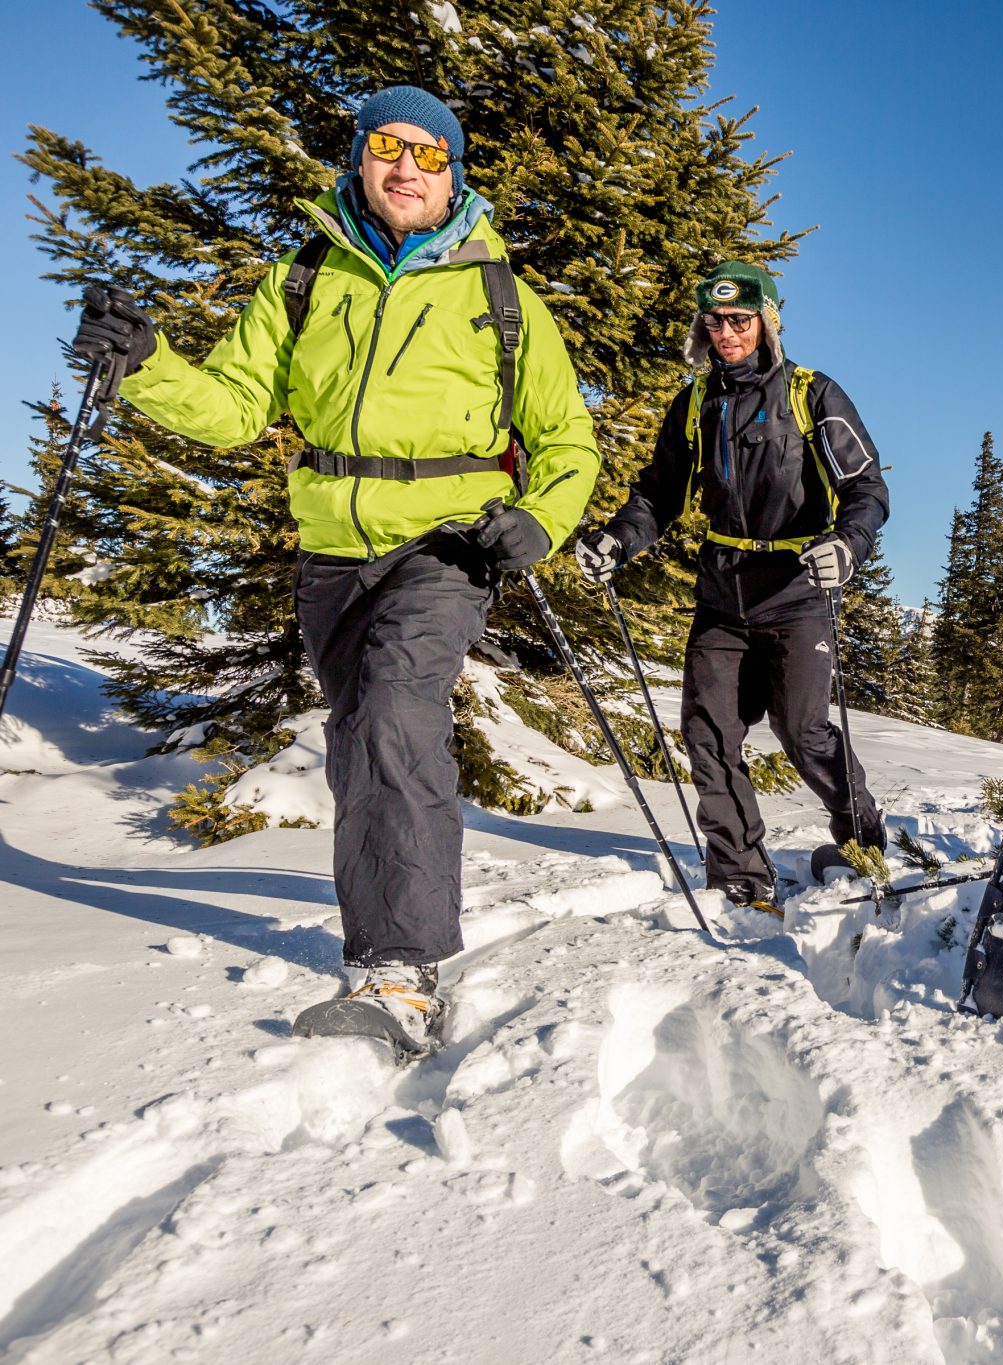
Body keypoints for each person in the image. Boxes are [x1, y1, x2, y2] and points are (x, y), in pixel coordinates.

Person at [69, 86, 599, 1048]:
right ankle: (379, 957)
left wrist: (540, 520)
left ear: (454, 174)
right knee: (359, 743)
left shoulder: (499, 295)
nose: (406, 168)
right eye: (388, 147)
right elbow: (235, 405)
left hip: (446, 543)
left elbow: (568, 440)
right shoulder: (305, 278)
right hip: (331, 551)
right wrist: (145, 360)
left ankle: (402, 975)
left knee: (398, 708)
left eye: (429, 154)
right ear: (359, 158)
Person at [574, 261, 888, 913]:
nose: (726, 332)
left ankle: (862, 837)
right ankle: (740, 871)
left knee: (801, 730)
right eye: (713, 320)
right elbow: (657, 494)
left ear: (768, 322)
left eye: (740, 319)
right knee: (708, 729)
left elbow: (866, 489)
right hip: (724, 593)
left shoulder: (811, 394)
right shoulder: (695, 404)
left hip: (799, 588)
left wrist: (847, 544)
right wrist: (617, 539)